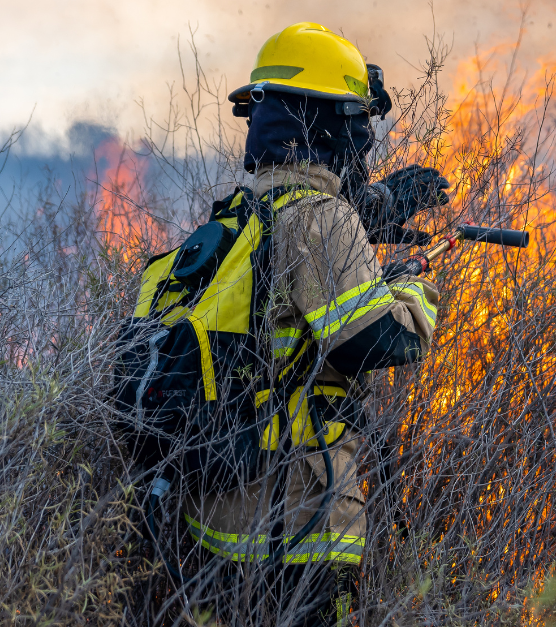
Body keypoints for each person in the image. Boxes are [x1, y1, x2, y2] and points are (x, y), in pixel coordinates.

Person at [173, 22, 450, 626]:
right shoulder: (321, 219)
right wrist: (412, 284)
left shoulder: (239, 215)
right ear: (327, 123)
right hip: (297, 524)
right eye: (357, 120)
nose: (364, 140)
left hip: (213, 523)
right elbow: (378, 341)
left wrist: (368, 214)